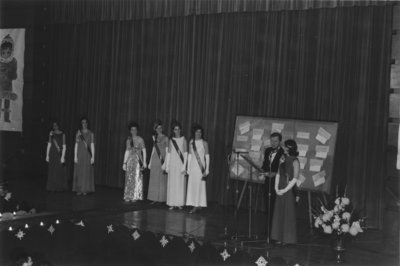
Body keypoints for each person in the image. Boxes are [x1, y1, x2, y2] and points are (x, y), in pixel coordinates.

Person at [271, 139, 299, 244]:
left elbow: (295, 178)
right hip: (280, 187)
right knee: (279, 212)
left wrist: (284, 190)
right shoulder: (282, 157)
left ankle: (287, 239)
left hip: (288, 188)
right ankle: (279, 237)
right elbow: (278, 173)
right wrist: (276, 188)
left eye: (285, 146)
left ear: (289, 148)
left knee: (287, 213)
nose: (283, 148)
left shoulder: (295, 160)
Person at [261, 132, 285, 225]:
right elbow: (265, 164)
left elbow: (284, 170)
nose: (273, 143)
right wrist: (261, 170)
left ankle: (275, 227)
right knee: (267, 203)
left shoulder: (283, 152)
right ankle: (268, 226)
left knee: (275, 204)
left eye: (275, 141)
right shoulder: (268, 151)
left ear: (280, 141)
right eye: (271, 141)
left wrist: (275, 174)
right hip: (268, 181)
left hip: (277, 182)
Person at [186, 124, 210, 213]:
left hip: (201, 168)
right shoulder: (191, 142)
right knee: (193, 186)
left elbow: (207, 156)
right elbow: (189, 155)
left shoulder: (204, 143)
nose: (198, 133)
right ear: (194, 132)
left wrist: (207, 169)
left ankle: (198, 205)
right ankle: (195, 204)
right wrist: (188, 168)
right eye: (197, 132)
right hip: (192, 167)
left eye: (200, 132)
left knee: (200, 186)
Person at [164, 121, 187, 210]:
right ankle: (172, 203)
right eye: (175, 129)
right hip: (172, 164)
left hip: (180, 164)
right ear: (173, 130)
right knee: (172, 183)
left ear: (180, 130)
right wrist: (167, 166)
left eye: (178, 129)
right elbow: (169, 153)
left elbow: (185, 153)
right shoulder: (171, 140)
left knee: (179, 183)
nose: (176, 131)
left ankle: (179, 203)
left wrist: (184, 166)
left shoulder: (184, 139)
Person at [122, 122, 147, 202]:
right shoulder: (128, 140)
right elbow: (127, 151)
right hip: (129, 161)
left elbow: (144, 150)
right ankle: (128, 195)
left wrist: (145, 162)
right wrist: (124, 163)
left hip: (137, 162)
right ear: (130, 130)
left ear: (137, 130)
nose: (133, 131)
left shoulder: (140, 139)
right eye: (132, 129)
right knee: (129, 179)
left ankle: (135, 196)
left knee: (136, 179)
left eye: (135, 129)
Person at [72, 117, 95, 195]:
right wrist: (75, 156)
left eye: (85, 122)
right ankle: (79, 189)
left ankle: (85, 189)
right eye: (82, 122)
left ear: (87, 123)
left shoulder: (91, 133)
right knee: (79, 172)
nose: (84, 124)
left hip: (87, 155)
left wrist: (93, 156)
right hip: (79, 154)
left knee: (86, 172)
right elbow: (76, 144)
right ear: (81, 124)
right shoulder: (78, 133)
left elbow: (92, 145)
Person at [147, 120, 168, 204]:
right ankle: (154, 198)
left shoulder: (166, 138)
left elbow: (167, 151)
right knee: (154, 178)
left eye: (160, 128)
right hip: (155, 159)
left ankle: (161, 198)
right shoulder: (154, 138)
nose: (159, 129)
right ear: (155, 129)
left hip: (162, 159)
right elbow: (153, 149)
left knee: (162, 179)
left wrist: (166, 162)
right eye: (157, 128)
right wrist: (149, 162)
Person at [45, 120, 68, 191]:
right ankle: (52, 187)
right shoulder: (51, 133)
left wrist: (63, 157)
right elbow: (49, 144)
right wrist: (47, 155)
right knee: (52, 171)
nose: (55, 126)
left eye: (56, 125)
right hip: (52, 154)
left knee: (58, 171)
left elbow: (64, 146)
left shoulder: (63, 134)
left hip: (59, 154)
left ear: (58, 125)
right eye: (53, 125)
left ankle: (59, 187)